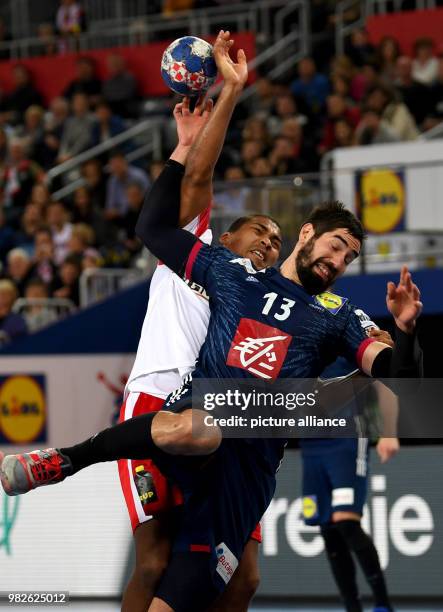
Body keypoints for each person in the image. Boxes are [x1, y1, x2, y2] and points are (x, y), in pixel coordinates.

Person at [0, 31, 423, 612]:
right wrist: (214, 111)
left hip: (250, 449)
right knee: (158, 541)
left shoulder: (326, 309)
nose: (268, 246)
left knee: (240, 581)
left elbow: (393, 374)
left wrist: (396, 337)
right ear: (225, 235)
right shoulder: (218, 262)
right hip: (167, 402)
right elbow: (186, 194)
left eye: (350, 256)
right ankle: (61, 461)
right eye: (263, 235)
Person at [301, 334, 399, 612]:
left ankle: (382, 604)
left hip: (346, 438)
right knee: (328, 529)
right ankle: (352, 607)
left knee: (346, 522)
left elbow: (384, 381)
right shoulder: (296, 328)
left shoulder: (347, 326)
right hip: (311, 444)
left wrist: (389, 432)